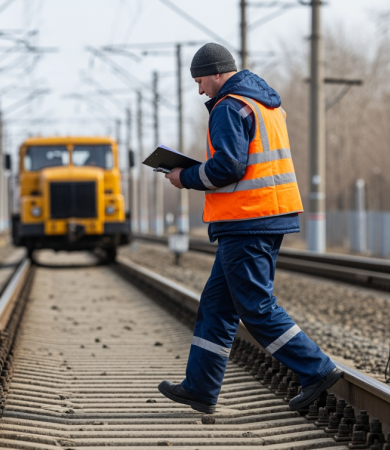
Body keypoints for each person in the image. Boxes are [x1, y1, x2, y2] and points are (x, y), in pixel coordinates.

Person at [159, 43, 342, 414]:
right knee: (216, 307)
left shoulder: (228, 107)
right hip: (260, 216)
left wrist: (185, 176)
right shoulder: (263, 104)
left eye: (199, 81)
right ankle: (200, 387)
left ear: (216, 73)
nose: (199, 91)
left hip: (248, 220)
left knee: (256, 307)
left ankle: (317, 369)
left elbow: (227, 167)